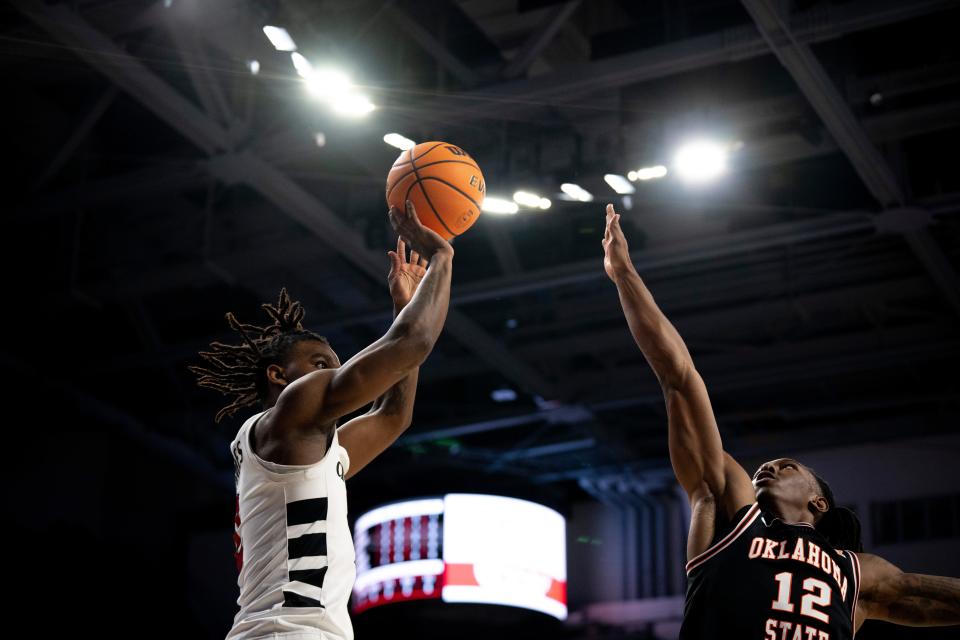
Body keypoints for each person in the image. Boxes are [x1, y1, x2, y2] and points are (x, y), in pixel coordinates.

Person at [601, 203, 959, 639]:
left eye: (787, 466)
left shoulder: (855, 574)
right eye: (765, 467)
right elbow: (678, 376)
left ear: (818, 502)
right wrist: (625, 276)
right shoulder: (729, 513)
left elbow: (925, 596)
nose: (767, 466)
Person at [191, 203, 453, 640]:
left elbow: (392, 416)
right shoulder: (291, 414)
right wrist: (441, 259)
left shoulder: (301, 447)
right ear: (279, 375)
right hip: (289, 633)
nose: (333, 374)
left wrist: (403, 307)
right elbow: (414, 342)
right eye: (319, 364)